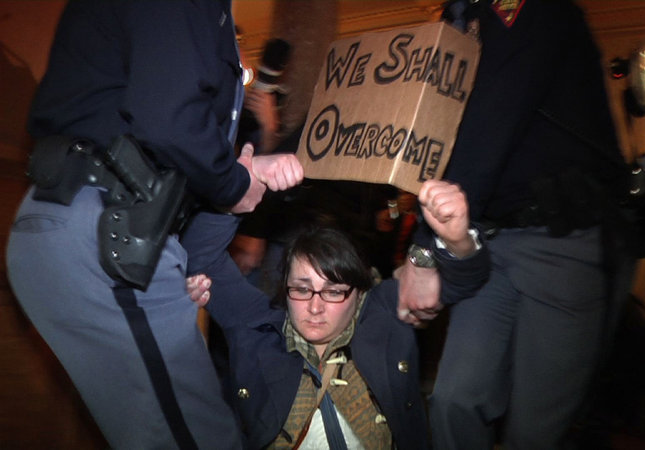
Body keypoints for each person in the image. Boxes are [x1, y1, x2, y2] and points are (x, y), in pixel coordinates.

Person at [5, 1, 303, 448]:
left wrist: (238, 178)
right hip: (109, 231)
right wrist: (234, 182)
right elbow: (169, 119)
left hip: (103, 222)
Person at [395, 1, 637, 448]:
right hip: (489, 238)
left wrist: (425, 253)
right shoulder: (460, 17)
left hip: (559, 239)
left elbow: (491, 120)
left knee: (536, 431)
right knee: (454, 403)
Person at [186, 180, 490, 449]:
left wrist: (457, 241)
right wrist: (238, 185)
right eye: (302, 289)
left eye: (333, 292)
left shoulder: (384, 315)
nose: (315, 307)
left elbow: (463, 282)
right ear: (284, 288)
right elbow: (201, 255)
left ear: (358, 292)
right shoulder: (256, 328)